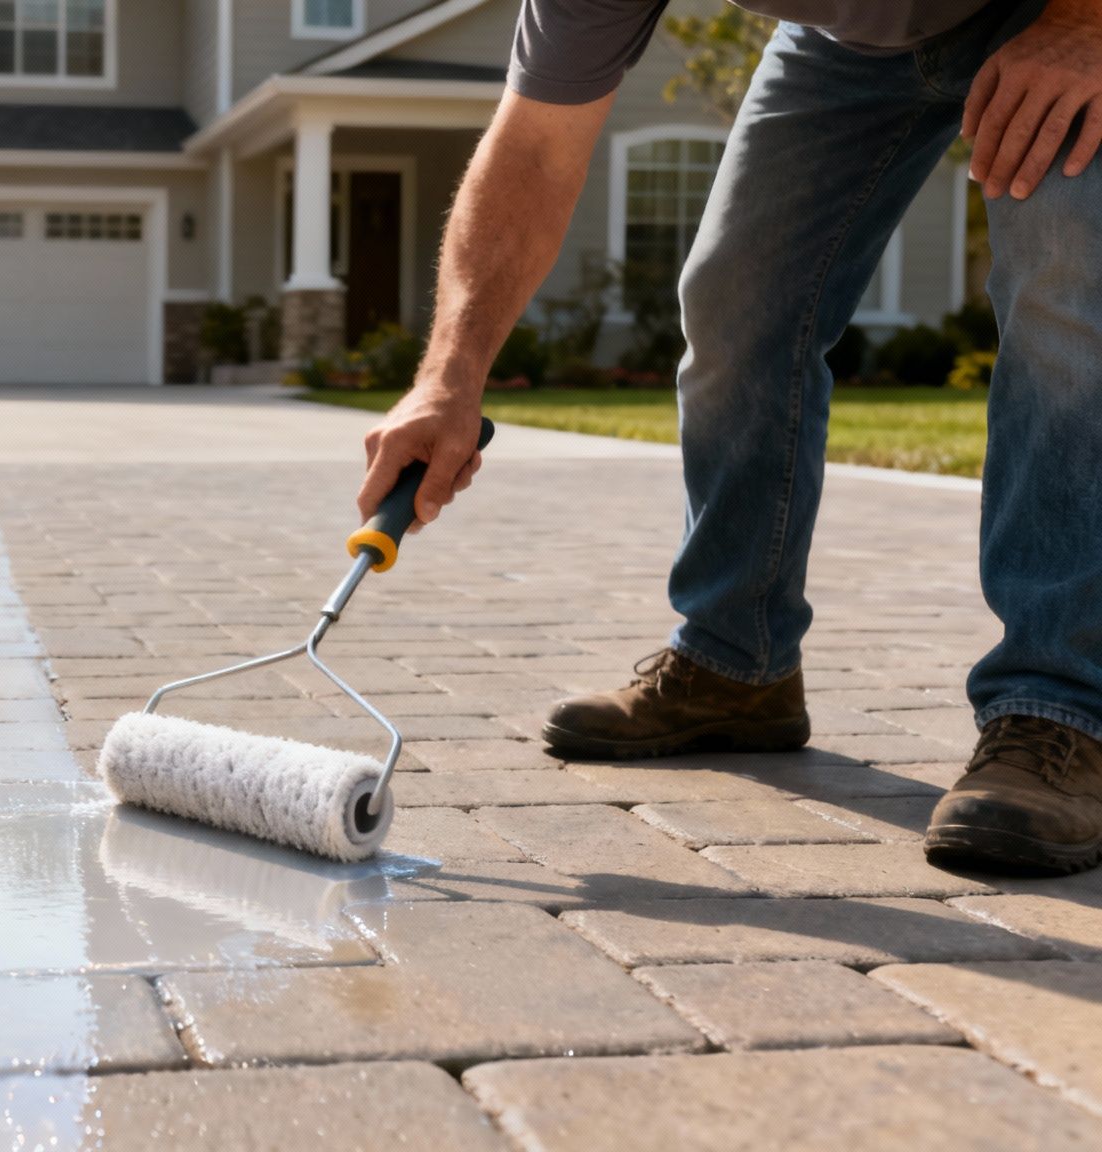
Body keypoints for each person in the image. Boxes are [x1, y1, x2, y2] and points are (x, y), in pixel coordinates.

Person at [358, 0, 1102, 873]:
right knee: (734, 300)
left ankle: (1059, 706)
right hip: (848, 43)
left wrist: (1082, 25)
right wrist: (448, 377)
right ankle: (734, 659)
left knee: (1065, 296)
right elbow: (533, 148)